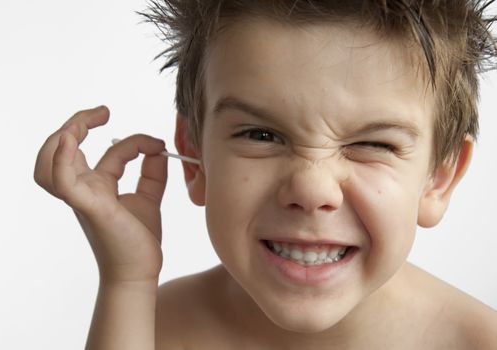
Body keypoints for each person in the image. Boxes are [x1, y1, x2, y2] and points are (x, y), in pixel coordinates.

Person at [34, 1, 497, 349]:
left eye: (373, 144)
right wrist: (127, 281)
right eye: (261, 135)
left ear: (439, 178)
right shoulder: (147, 326)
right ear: (194, 154)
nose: (311, 189)